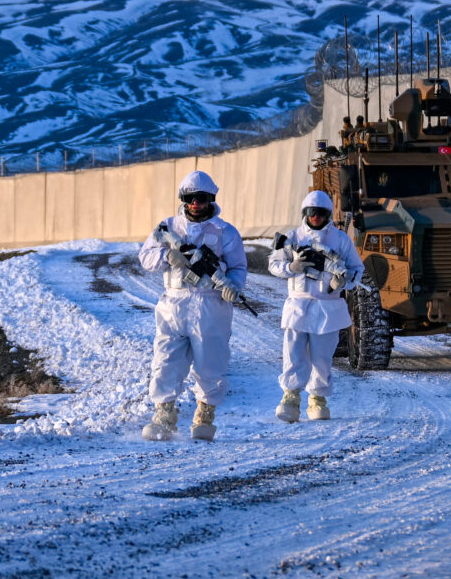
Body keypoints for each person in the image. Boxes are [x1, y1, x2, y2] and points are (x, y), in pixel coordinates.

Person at [138, 171, 248, 442]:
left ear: (211, 199)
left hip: (212, 305)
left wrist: (233, 286)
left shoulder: (226, 232)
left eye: (201, 198)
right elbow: (146, 258)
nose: (195, 204)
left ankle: (205, 415)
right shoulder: (169, 227)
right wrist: (168, 256)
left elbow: (238, 268)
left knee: (211, 363)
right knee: (166, 360)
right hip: (173, 304)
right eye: (190, 199)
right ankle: (164, 415)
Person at [268, 190, 364, 423]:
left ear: (328, 214)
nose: (315, 217)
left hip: (327, 306)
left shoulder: (340, 240)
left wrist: (342, 281)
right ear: (305, 213)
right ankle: (290, 398)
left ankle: (317, 400)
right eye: (311, 213)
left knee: (322, 358)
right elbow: (273, 264)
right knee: (293, 354)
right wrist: (293, 267)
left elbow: (357, 270)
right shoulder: (293, 238)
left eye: (320, 213)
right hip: (298, 305)